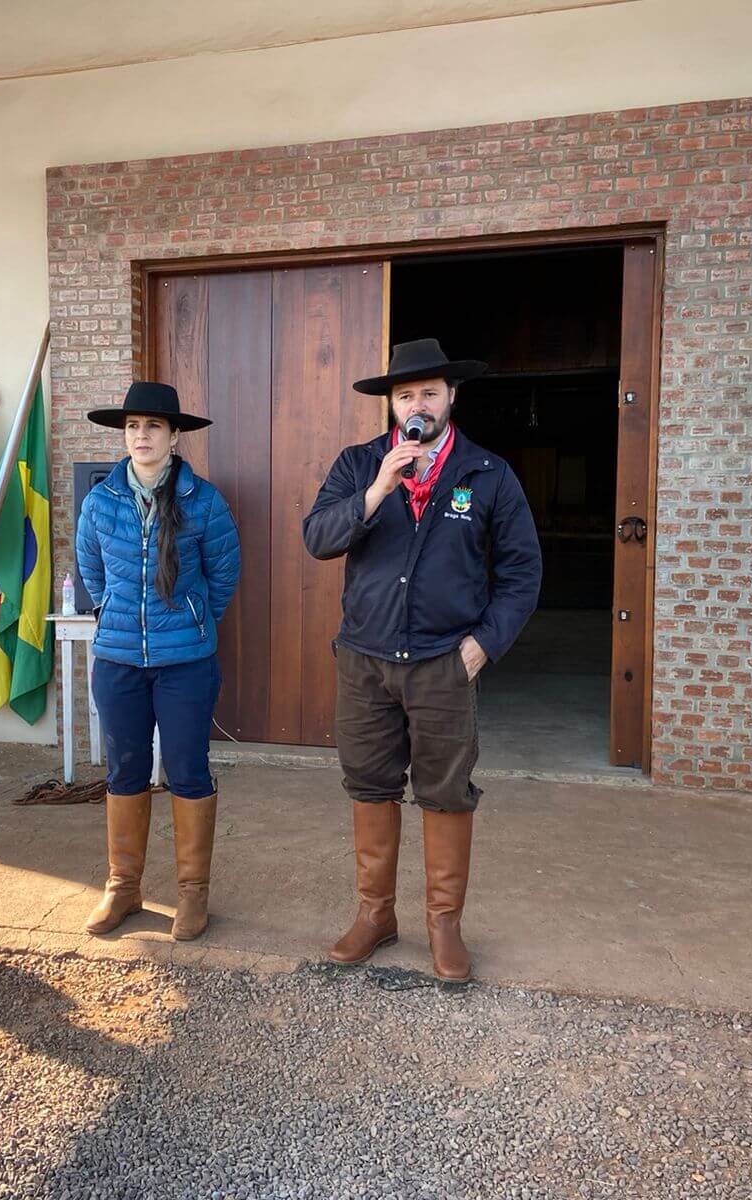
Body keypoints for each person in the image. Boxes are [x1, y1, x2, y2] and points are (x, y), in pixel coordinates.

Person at [303, 339, 541, 981]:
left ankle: (444, 926)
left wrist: (483, 644)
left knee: (445, 793)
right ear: (390, 404)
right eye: (406, 395)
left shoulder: (487, 474)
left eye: (430, 393)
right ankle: (376, 915)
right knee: (370, 784)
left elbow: (522, 572)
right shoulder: (360, 466)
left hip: (444, 662)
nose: (418, 405)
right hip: (365, 661)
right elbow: (318, 538)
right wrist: (379, 488)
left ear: (452, 397)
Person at [76, 382, 241, 941]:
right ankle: (124, 886)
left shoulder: (204, 501)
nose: (141, 436)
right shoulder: (101, 501)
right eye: (132, 427)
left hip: (186, 662)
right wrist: (117, 615)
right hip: (118, 660)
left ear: (174, 435)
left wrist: (191, 623)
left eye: (152, 426)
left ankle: (193, 894)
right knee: (124, 769)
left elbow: (223, 575)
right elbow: (91, 573)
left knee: (187, 769)